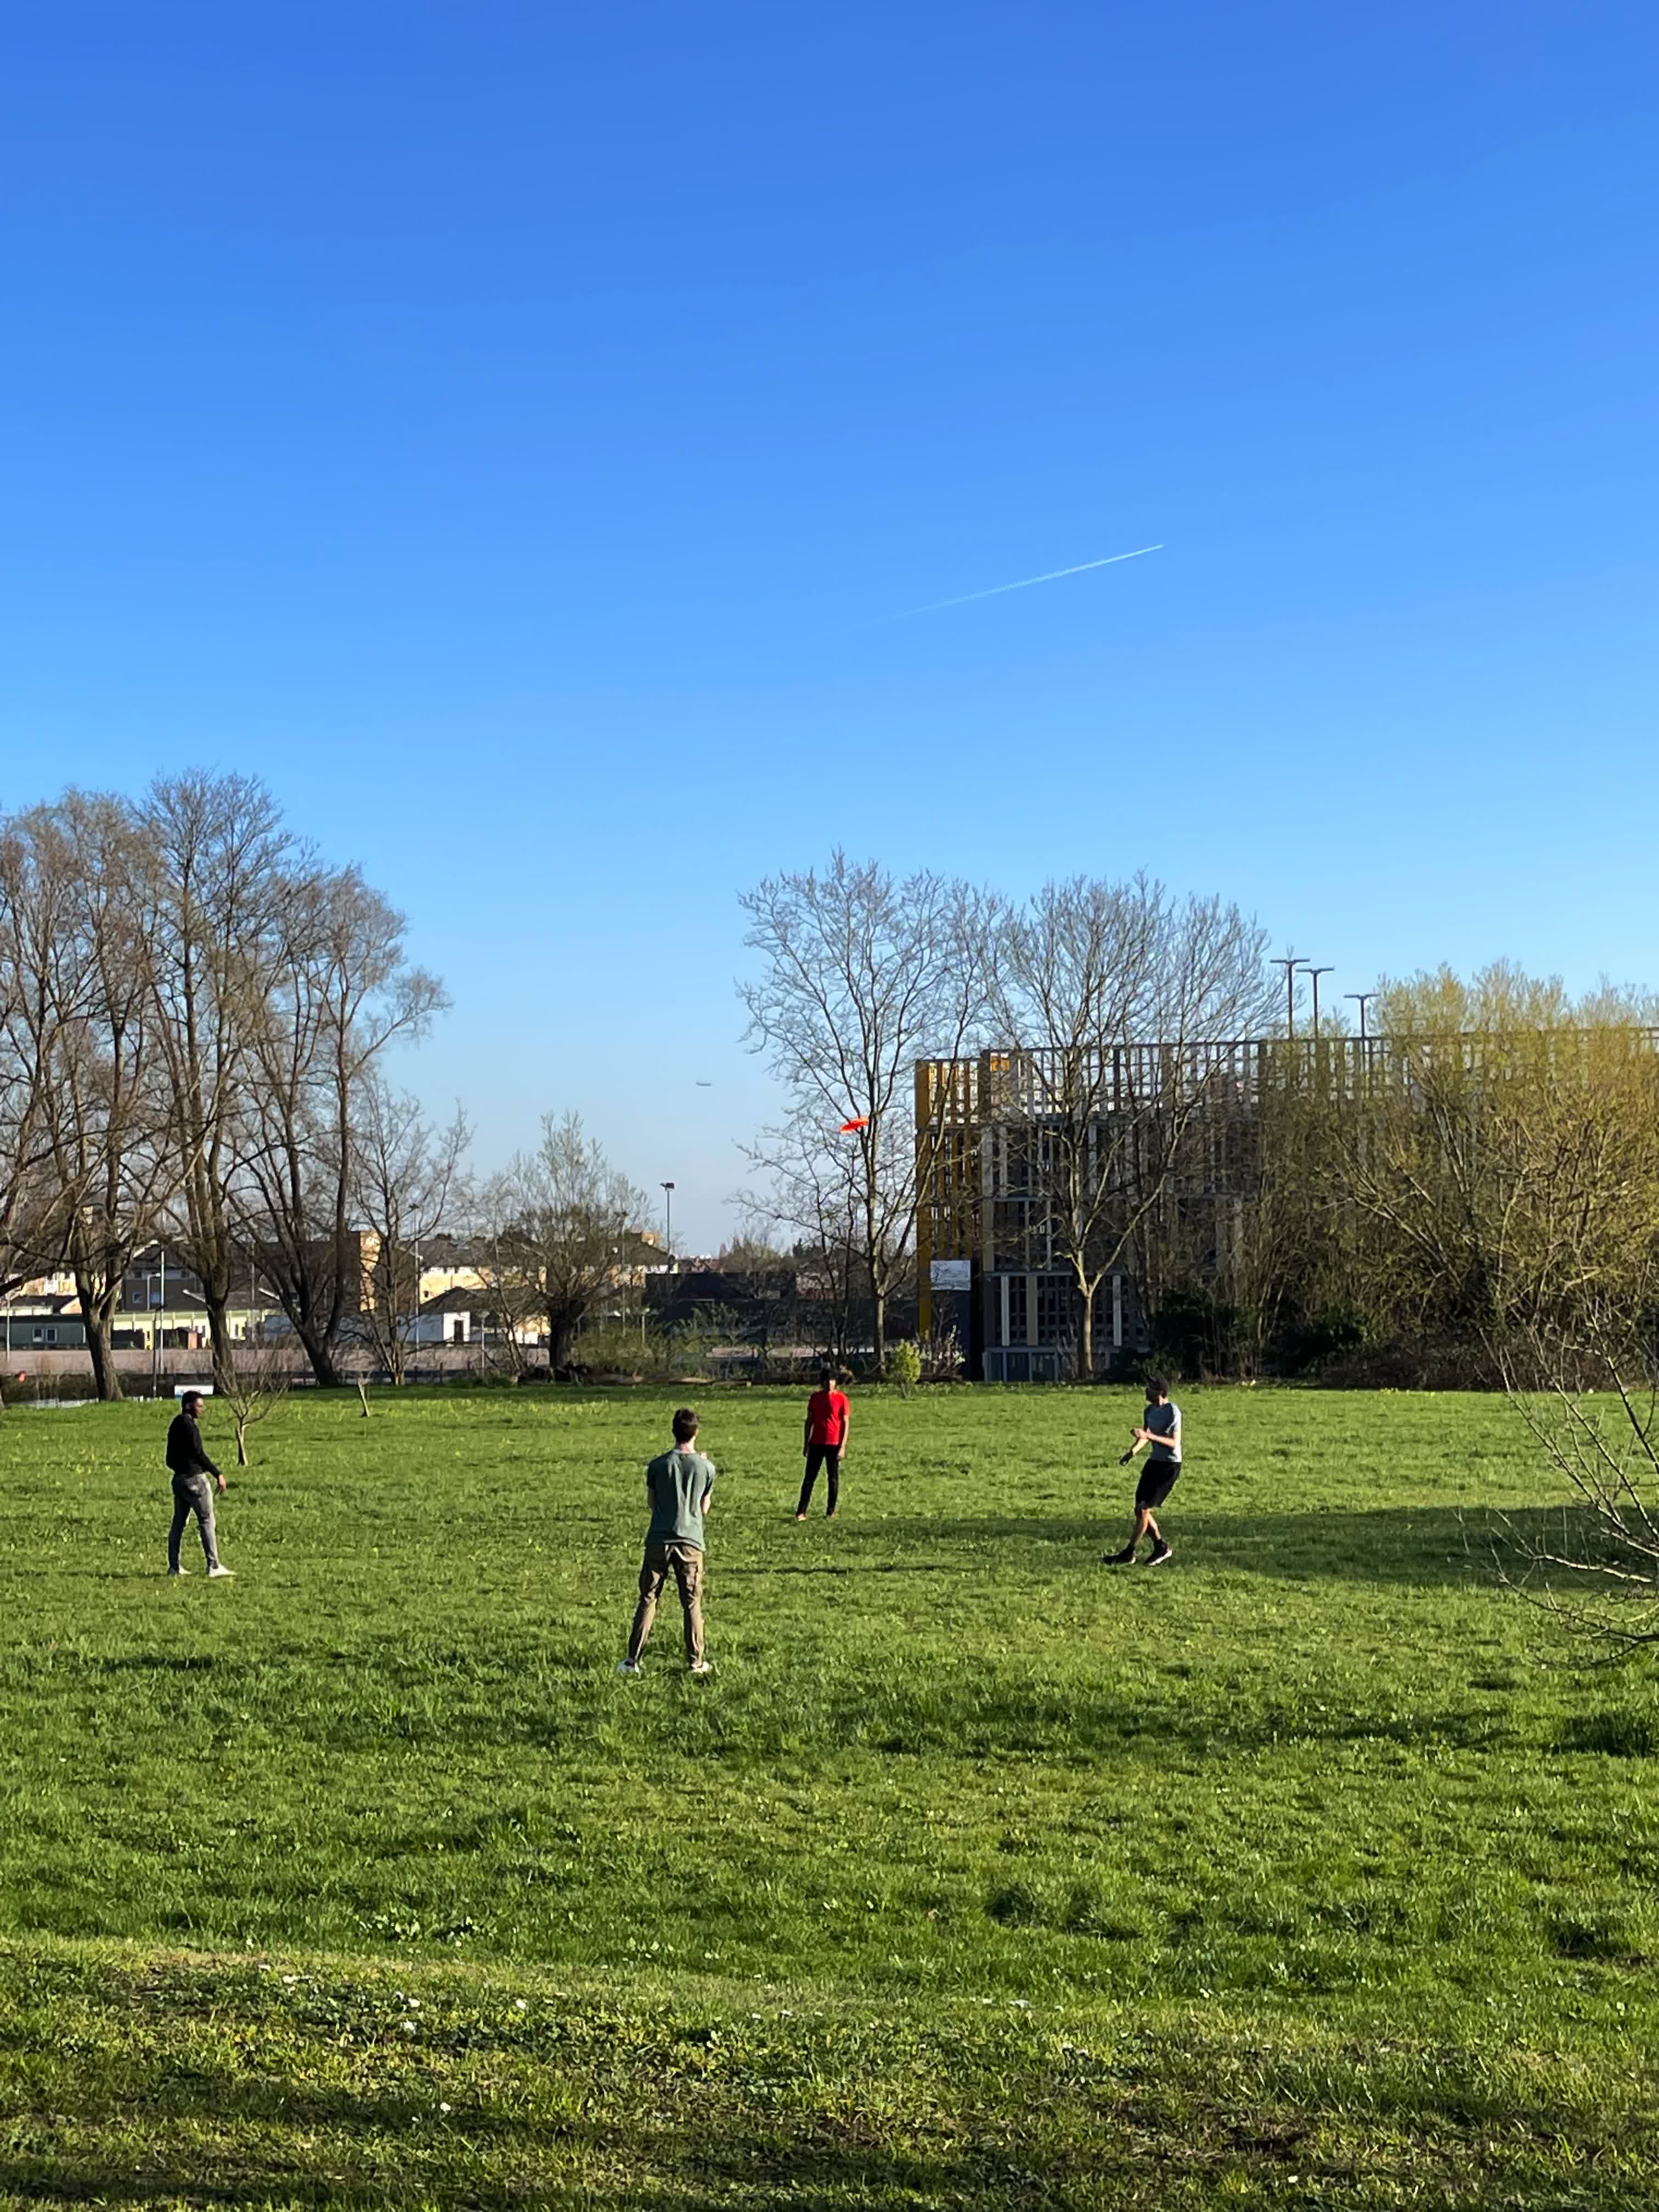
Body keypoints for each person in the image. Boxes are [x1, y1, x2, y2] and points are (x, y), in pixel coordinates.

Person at [619, 1407, 715, 1675]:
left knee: (648, 1598)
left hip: (658, 1539)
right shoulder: (707, 1468)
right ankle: (696, 1662)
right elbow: (704, 1508)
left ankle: (632, 1661)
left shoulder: (657, 1465)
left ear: (673, 1432)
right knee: (691, 1602)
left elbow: (651, 1503)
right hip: (691, 1541)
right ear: (696, 1432)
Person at [1105, 1378, 1181, 1567]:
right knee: (1139, 1509)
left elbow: (1173, 1443)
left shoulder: (1172, 1411)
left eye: (1150, 1388)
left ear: (1160, 1392)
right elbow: (1145, 1437)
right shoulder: (1148, 1411)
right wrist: (1132, 1452)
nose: (1146, 1391)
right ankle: (1161, 1548)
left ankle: (1129, 1552)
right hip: (1154, 1463)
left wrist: (1148, 1435)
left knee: (1144, 1509)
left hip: (1169, 1466)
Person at [166, 1390, 233, 1578]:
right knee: (207, 1520)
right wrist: (217, 1474)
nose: (202, 1410)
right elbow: (199, 1454)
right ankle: (213, 1566)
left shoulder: (175, 1425)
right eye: (199, 1406)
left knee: (178, 1524)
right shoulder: (190, 1427)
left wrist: (179, 1470)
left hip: (179, 1480)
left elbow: (169, 1458)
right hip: (195, 1480)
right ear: (189, 1406)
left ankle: (174, 1567)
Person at [795, 1365, 850, 1520]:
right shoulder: (815, 1398)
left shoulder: (842, 1399)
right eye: (826, 1380)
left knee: (833, 1479)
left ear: (836, 1382)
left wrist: (843, 1447)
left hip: (834, 1444)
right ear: (822, 1382)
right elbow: (809, 1421)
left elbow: (845, 1423)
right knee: (809, 1479)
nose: (829, 1383)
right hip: (816, 1443)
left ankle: (830, 1512)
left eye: (832, 1380)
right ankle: (801, 1512)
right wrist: (806, 1443)